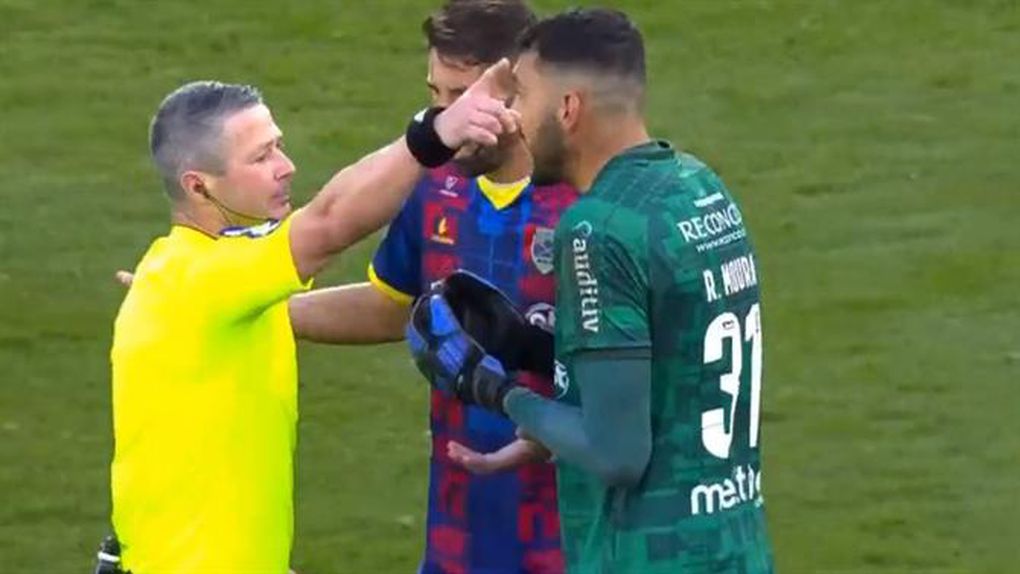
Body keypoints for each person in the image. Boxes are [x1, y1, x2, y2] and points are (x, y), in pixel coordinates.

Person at [409, 8, 775, 573]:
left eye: (522, 96)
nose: (514, 118)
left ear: (568, 108)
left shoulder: (596, 228)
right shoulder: (699, 189)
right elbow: (673, 359)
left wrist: (494, 389)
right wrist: (532, 348)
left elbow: (616, 453)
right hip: (733, 546)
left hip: (647, 556)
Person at [107, 66, 515, 573]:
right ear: (199, 187)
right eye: (261, 157)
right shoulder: (199, 280)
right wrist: (436, 133)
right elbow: (327, 225)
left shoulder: (200, 282)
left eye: (278, 146)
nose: (287, 167)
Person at [286, 2, 577, 572]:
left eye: (463, 96)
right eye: (437, 96)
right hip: (458, 534)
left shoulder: (586, 202)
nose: (448, 118)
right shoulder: (433, 185)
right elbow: (394, 307)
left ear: (521, 90)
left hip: (568, 535)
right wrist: (244, 314)